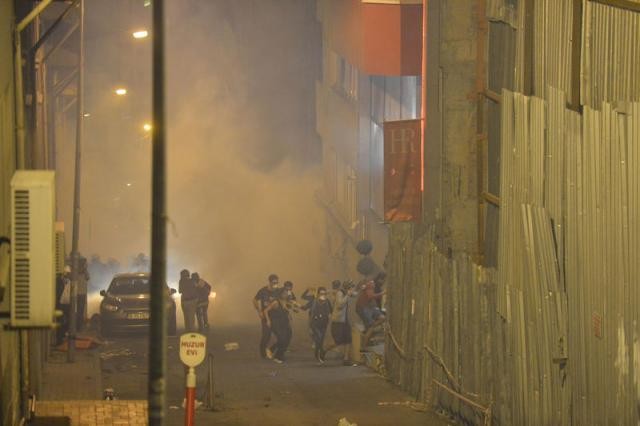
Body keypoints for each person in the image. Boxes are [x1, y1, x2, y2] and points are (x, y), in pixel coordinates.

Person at [324, 280, 353, 365]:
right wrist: (348, 295)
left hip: (345, 320)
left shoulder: (343, 293)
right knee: (338, 341)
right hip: (338, 320)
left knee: (348, 339)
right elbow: (340, 305)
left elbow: (354, 294)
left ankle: (346, 359)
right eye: (351, 287)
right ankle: (324, 350)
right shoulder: (339, 293)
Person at [252, 274, 279, 359]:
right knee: (266, 335)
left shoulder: (278, 291)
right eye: (274, 282)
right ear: (269, 282)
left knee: (281, 335)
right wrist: (259, 311)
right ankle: (263, 353)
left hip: (276, 317)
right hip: (266, 316)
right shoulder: (263, 291)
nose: (275, 284)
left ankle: (272, 349)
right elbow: (254, 300)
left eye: (277, 282)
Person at [263, 289, 292, 363]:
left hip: (284, 323)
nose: (286, 295)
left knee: (288, 337)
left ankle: (272, 349)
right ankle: (277, 357)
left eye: (286, 293)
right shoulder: (276, 302)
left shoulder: (285, 302)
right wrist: (268, 320)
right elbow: (265, 311)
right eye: (284, 293)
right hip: (276, 323)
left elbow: (286, 311)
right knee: (282, 339)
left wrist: (289, 316)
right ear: (280, 294)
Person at [356, 279, 386, 348]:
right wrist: (383, 293)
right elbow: (371, 296)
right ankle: (364, 346)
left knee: (382, 318)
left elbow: (372, 299)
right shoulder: (368, 288)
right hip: (363, 308)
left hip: (370, 308)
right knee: (370, 328)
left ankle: (371, 326)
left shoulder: (371, 287)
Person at [309, 287, 332, 364]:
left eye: (324, 294)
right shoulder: (315, 302)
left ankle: (319, 354)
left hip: (324, 323)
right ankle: (319, 356)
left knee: (321, 340)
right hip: (315, 323)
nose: (323, 295)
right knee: (318, 339)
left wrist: (329, 316)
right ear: (318, 294)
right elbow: (311, 314)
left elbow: (330, 311)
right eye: (321, 293)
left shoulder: (327, 301)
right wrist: (310, 326)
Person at [346, 280, 366, 365]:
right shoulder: (348, 295)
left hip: (351, 319)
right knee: (353, 340)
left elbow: (355, 294)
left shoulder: (350, 294)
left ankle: (351, 358)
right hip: (350, 319)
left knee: (351, 340)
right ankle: (355, 359)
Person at [55, 266, 72, 345]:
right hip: (60, 304)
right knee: (60, 321)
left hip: (67, 304)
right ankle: (59, 339)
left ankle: (63, 335)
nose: (68, 275)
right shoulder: (58, 281)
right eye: (67, 273)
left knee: (67, 321)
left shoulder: (69, 281)